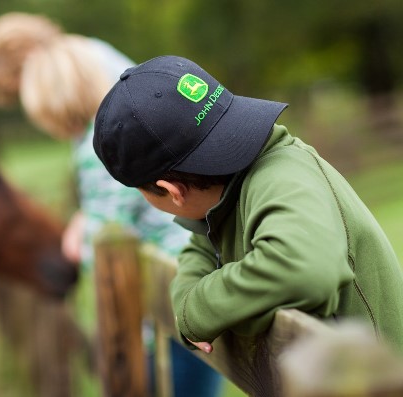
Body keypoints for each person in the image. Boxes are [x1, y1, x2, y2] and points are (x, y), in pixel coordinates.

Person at [0, 13, 224, 397]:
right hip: (188, 274)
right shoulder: (94, 62)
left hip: (173, 293)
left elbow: (109, 234)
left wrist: (80, 240)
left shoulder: (100, 145)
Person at [92, 54, 403, 355]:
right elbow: (199, 251)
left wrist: (195, 313)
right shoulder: (228, 190)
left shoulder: (282, 176)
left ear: (171, 191)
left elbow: (304, 270)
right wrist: (198, 304)